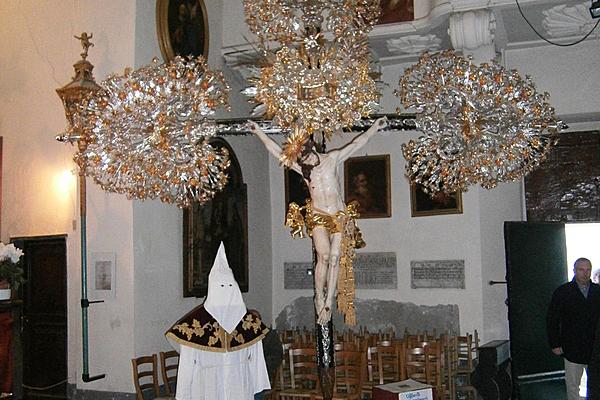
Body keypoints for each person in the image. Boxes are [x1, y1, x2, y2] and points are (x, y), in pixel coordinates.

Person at [248, 117, 387, 325]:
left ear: (312, 148)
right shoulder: (303, 169)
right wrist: (258, 131)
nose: (305, 162)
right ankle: (319, 296)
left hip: (338, 214)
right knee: (323, 256)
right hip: (318, 215)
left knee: (335, 256)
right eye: (301, 159)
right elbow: (276, 151)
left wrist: (375, 127)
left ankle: (329, 301)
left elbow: (357, 143)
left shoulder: (332, 158)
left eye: (306, 157)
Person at [166, 242, 271, 400]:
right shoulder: (195, 323)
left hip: (239, 382)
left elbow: (257, 358)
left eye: (229, 286)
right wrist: (183, 394)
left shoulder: (248, 322)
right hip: (206, 384)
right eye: (221, 286)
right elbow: (186, 363)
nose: (225, 290)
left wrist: (258, 384)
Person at [547, 257, 600, 400]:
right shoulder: (563, 292)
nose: (585, 273)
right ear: (574, 270)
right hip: (572, 346)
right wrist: (555, 343)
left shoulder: (597, 291)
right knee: (572, 386)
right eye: (581, 270)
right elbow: (552, 319)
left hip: (595, 348)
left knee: (596, 386)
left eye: (588, 270)